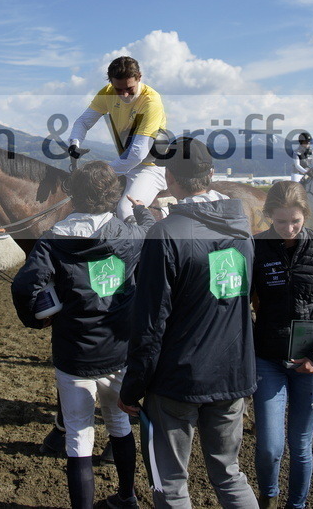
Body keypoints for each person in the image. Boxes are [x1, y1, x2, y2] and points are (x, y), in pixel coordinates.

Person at [118, 137, 259, 509]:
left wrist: (132, 387)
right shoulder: (241, 230)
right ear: (210, 175)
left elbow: (149, 324)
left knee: (172, 484)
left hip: (178, 379)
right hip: (233, 375)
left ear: (168, 177)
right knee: (230, 475)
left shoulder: (166, 236)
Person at [11, 161, 154, 509]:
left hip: (74, 354)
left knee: (78, 436)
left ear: (74, 194)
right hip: (118, 351)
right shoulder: (127, 237)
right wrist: (143, 213)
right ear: (112, 195)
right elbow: (147, 231)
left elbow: (23, 286)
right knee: (119, 424)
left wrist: (37, 320)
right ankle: (126, 496)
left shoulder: (52, 241)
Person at [251, 181, 313, 509]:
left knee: (301, 444)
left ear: (306, 214)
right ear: (268, 218)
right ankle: (269, 498)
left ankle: (297, 505)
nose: (288, 229)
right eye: (280, 222)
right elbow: (241, 301)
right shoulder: (256, 247)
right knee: (269, 446)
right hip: (268, 359)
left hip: (311, 361)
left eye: (295, 221)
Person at [69, 56, 168, 221]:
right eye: (118, 89)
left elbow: (137, 153)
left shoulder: (151, 101)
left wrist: (100, 173)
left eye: (129, 88)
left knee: (125, 209)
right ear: (111, 82)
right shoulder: (107, 93)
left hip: (151, 169)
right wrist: (74, 143)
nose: (124, 95)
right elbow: (83, 122)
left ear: (139, 78)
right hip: (127, 164)